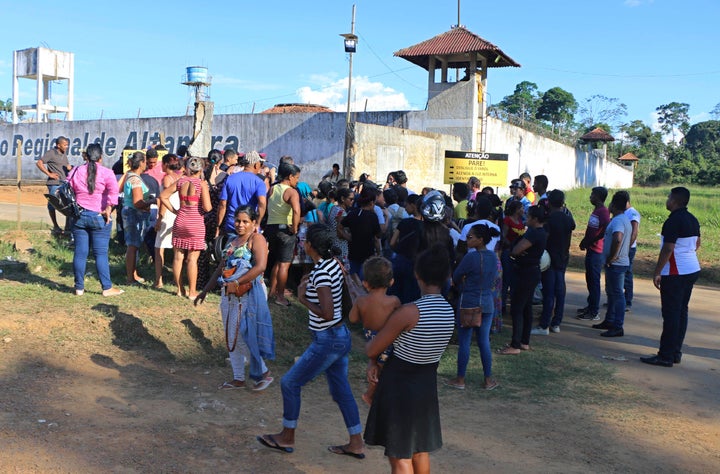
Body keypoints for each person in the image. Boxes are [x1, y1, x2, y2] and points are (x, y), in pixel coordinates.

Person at [258, 224, 364, 458]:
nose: (301, 243)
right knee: (341, 391)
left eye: (304, 241)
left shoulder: (323, 272)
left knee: (290, 383)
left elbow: (325, 312)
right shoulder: (332, 265)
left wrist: (303, 298)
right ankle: (356, 442)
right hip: (339, 335)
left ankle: (287, 436)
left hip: (328, 339)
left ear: (310, 246)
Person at [364, 246, 455, 473]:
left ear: (417, 274)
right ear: (446, 276)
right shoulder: (448, 311)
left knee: (399, 456)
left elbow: (373, 349)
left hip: (399, 385)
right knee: (419, 449)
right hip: (425, 384)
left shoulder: (409, 311)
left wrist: (373, 355)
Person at [195, 205, 275, 389]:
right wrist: (205, 290)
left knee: (241, 335)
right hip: (228, 294)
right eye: (237, 221)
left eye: (245, 221)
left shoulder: (257, 239)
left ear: (254, 223)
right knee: (230, 335)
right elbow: (221, 267)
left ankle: (263, 372)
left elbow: (261, 266)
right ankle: (238, 377)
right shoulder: (232, 240)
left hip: (249, 294)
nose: (240, 224)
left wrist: (238, 283)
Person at [641, 187, 701, 367]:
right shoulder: (693, 219)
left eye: (669, 197)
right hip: (691, 269)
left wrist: (658, 271)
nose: (667, 200)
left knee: (671, 314)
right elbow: (697, 244)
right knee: (681, 312)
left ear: (675, 200)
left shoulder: (673, 221)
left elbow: (668, 248)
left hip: (676, 273)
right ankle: (675, 352)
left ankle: (665, 355)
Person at [447, 224, 500, 391]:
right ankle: (488, 379)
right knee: (484, 341)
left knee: (465, 342)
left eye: (470, 237)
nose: (466, 239)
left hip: (469, 301)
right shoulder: (493, 256)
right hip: (487, 302)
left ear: (480, 239)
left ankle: (461, 379)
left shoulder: (471, 258)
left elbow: (456, 276)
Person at [67, 143, 123, 297]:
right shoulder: (107, 172)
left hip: (79, 216)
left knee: (80, 253)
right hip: (99, 217)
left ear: (86, 156)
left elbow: (66, 186)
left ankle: (79, 288)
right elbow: (114, 192)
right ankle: (107, 288)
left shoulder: (76, 170)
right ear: (101, 157)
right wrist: (109, 209)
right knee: (100, 254)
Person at [348, 256, 401, 405]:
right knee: (384, 370)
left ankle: (372, 394)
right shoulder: (394, 301)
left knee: (379, 367)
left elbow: (352, 319)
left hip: (371, 339)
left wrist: (357, 301)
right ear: (391, 282)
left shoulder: (361, 301)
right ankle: (370, 395)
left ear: (365, 283)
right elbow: (400, 321)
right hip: (387, 340)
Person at [498, 205, 547, 355]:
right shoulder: (540, 232)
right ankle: (524, 341)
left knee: (517, 308)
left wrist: (516, 247)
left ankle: (515, 344)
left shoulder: (533, 233)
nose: (525, 218)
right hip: (531, 271)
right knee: (526, 308)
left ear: (535, 219)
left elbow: (516, 250)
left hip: (525, 272)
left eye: (529, 216)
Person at [160, 156, 212, 299]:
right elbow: (207, 208)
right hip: (195, 222)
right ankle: (192, 292)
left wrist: (175, 210)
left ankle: (179, 289)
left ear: (188, 168)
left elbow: (163, 196)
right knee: (192, 260)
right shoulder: (201, 184)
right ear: (201, 169)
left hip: (180, 220)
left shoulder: (180, 181)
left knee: (178, 257)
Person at [532, 190, 576, 335]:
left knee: (549, 292)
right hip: (563, 257)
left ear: (549, 202)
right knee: (560, 291)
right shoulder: (568, 219)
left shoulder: (549, 220)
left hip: (549, 259)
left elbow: (545, 239)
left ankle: (544, 325)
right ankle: (556, 322)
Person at [591, 192, 632, 337]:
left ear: (613, 205)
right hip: (618, 262)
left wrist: (612, 257)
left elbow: (618, 238)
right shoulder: (623, 219)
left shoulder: (618, 221)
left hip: (616, 263)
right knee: (612, 293)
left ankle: (617, 325)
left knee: (617, 294)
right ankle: (609, 320)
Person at [265, 163, 302, 306]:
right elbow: (297, 211)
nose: (297, 181)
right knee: (284, 265)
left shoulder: (272, 189)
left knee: (277, 262)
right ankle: (280, 297)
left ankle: (272, 292)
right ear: (290, 176)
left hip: (271, 228)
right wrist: (295, 228)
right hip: (285, 231)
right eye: (296, 177)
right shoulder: (292, 192)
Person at [577, 187, 610, 321]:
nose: (590, 197)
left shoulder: (602, 212)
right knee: (590, 279)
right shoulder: (598, 211)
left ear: (598, 196)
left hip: (597, 251)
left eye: (592, 194)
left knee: (594, 281)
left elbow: (602, 231)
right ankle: (591, 306)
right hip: (592, 248)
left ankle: (594, 311)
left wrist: (588, 241)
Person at [216, 150, 267, 236]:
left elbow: (222, 204)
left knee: (230, 249)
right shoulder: (259, 182)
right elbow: (262, 203)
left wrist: (218, 225)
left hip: (232, 224)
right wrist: (257, 224)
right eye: (260, 164)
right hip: (248, 225)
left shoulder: (230, 178)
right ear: (256, 164)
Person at [120, 152, 153, 284]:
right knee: (133, 246)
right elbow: (138, 202)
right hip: (134, 214)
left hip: (130, 212)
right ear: (141, 163)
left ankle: (133, 274)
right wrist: (152, 202)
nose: (146, 164)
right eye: (145, 161)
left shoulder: (129, 176)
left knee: (133, 245)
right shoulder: (135, 180)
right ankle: (130, 277)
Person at [339, 186, 382, 279]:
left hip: (353, 252)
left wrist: (348, 238)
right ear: (371, 202)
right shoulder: (372, 216)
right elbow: (377, 236)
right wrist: (379, 253)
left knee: (354, 280)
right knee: (365, 281)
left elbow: (340, 227)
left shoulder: (352, 213)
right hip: (368, 254)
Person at [153, 154, 182, 288]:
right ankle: (178, 281)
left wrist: (159, 218)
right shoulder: (180, 177)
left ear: (165, 164)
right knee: (177, 250)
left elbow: (165, 200)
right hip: (178, 214)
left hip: (168, 215)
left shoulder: (167, 179)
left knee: (159, 248)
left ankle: (159, 280)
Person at [37, 136, 71, 236]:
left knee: (69, 203)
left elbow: (65, 166)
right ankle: (56, 226)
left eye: (67, 145)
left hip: (64, 183)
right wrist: (49, 174)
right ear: (58, 145)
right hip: (54, 184)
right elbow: (39, 163)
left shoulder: (63, 154)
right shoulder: (51, 153)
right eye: (65, 145)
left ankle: (67, 227)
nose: (67, 147)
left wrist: (69, 168)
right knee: (53, 204)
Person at [620, 190, 641, 311]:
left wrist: (626, 248)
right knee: (620, 273)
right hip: (622, 248)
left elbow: (634, 232)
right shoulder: (624, 212)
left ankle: (627, 301)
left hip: (628, 249)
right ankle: (619, 299)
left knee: (627, 274)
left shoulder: (632, 213)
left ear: (627, 201)